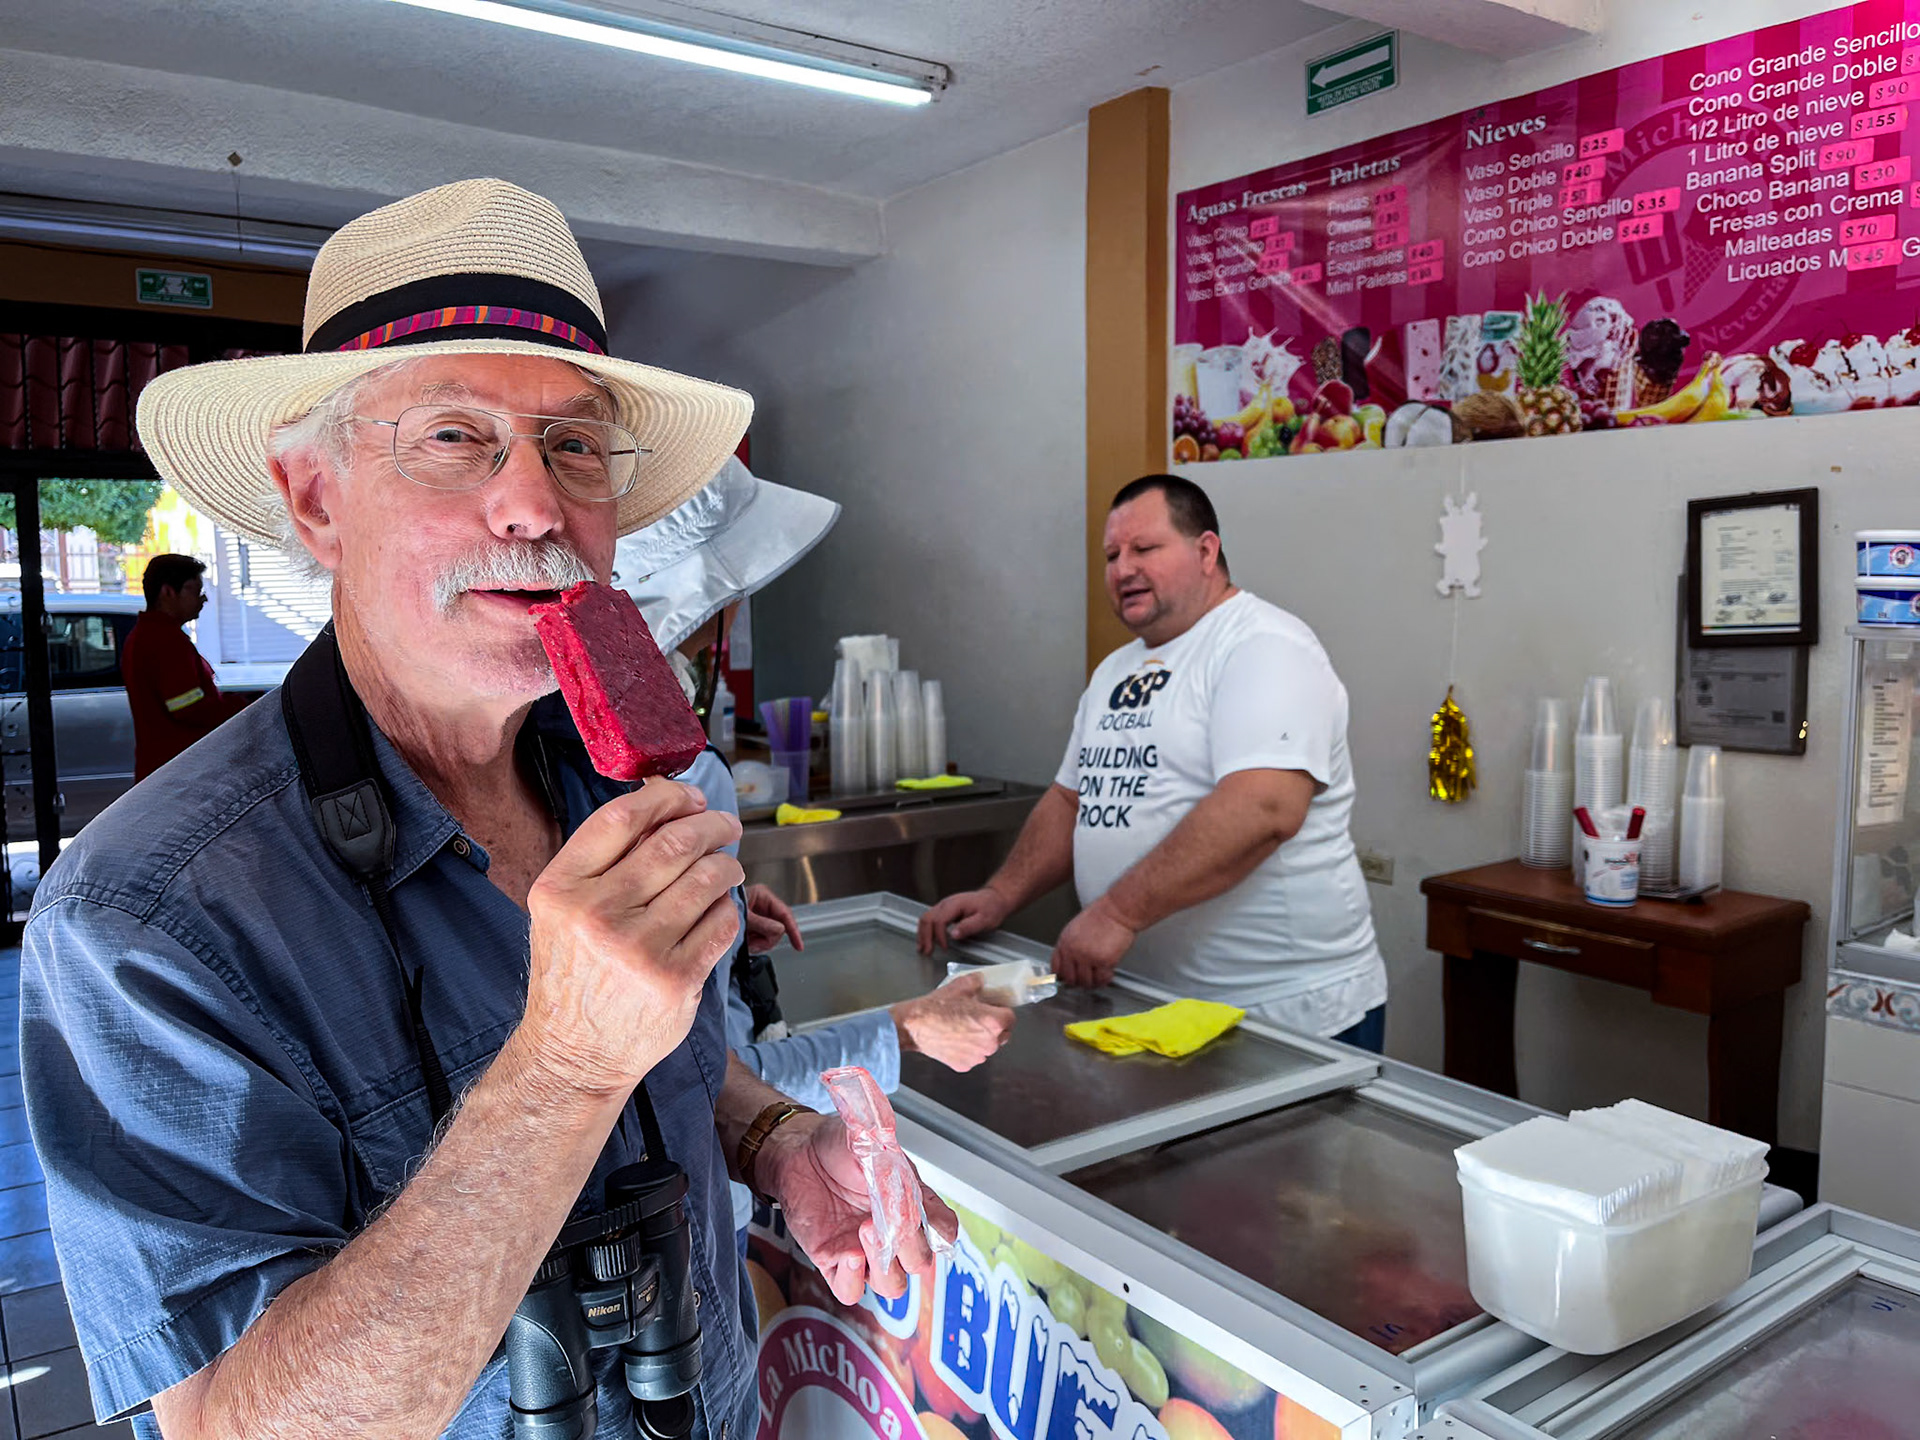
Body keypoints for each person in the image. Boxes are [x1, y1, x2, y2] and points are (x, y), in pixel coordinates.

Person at [21, 179, 953, 1440]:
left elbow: (677, 1064)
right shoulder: (148, 916)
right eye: (455, 438)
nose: (535, 507)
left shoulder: (637, 779)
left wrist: (774, 1137)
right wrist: (558, 1067)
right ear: (315, 499)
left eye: (573, 446)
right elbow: (230, 1425)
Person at [919, 473, 1389, 1050]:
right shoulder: (1115, 670)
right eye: (1112, 555)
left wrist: (1117, 913)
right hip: (1155, 1008)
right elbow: (1073, 798)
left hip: (1283, 1012)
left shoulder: (1265, 645)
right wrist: (1000, 894)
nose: (1122, 569)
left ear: (1206, 551)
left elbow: (1264, 807)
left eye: (1145, 549)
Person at [615, 459, 1016, 1130]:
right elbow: (700, 1085)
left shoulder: (606, 732)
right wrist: (908, 1030)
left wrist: (729, 915)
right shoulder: (661, 775)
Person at [120, 553, 247, 779]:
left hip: (165, 770)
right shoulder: (165, 640)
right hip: (181, 771)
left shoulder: (145, 635)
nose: (203, 599)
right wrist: (243, 708)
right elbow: (190, 708)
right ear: (168, 592)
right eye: (195, 590)